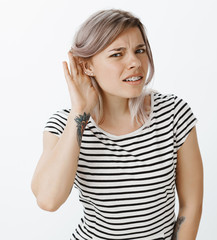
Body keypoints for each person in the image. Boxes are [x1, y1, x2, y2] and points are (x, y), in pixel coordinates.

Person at [31, 9, 203, 240]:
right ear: (87, 66)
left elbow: (190, 207)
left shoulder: (173, 113)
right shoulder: (64, 124)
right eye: (117, 54)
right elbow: (48, 200)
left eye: (139, 50)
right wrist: (80, 111)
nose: (135, 62)